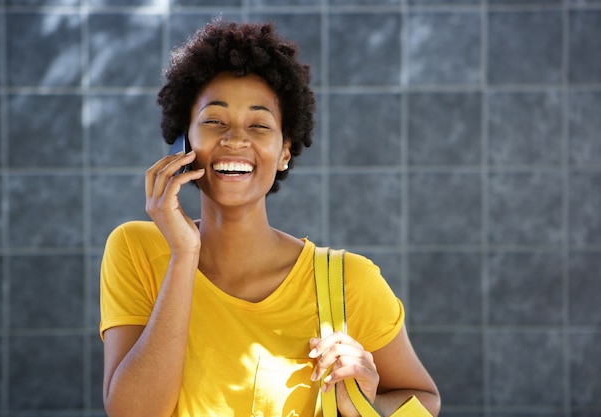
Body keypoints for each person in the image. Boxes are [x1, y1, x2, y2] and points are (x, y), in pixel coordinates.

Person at [100, 20, 440, 417]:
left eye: (259, 125)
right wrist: (183, 255)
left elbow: (424, 403)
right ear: (183, 141)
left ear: (284, 153)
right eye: (214, 121)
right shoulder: (136, 250)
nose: (235, 139)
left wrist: (365, 403)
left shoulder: (350, 283)